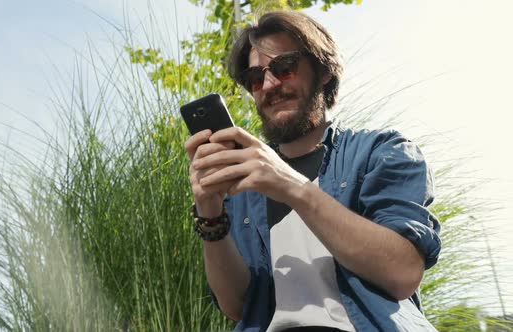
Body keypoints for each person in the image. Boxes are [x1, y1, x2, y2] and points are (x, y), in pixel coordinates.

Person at [184, 10, 441, 332]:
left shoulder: (382, 152)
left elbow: (401, 273)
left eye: (284, 67)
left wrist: (291, 186)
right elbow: (237, 306)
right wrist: (211, 216)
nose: (269, 84)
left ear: (322, 71)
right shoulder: (243, 186)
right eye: (254, 78)